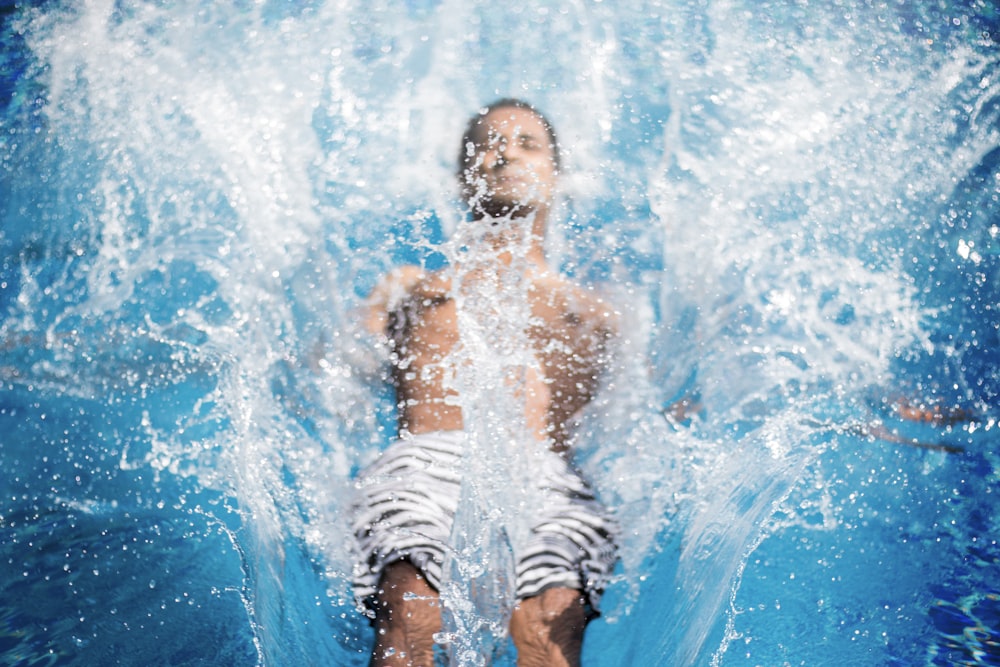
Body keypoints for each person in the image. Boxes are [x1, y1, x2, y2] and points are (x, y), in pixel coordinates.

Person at [351, 99, 619, 667]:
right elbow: (338, 369)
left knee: (548, 627)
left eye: (528, 144)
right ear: (462, 176)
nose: (505, 155)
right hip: (426, 465)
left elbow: (643, 415)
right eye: (489, 144)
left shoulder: (589, 312)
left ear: (557, 174)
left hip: (545, 481)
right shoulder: (413, 285)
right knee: (413, 611)